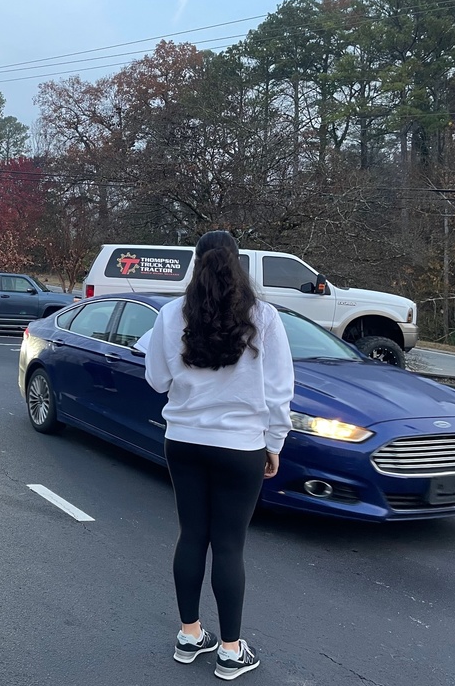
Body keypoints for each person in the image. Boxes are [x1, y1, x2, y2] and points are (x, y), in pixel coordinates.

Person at [137, 230, 293, 680]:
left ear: (195, 263)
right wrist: (275, 443)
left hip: (184, 441)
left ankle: (190, 636)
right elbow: (280, 390)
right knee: (229, 544)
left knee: (191, 536)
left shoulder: (170, 314)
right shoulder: (263, 317)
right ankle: (230, 650)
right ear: (239, 265)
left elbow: (156, 380)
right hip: (240, 446)